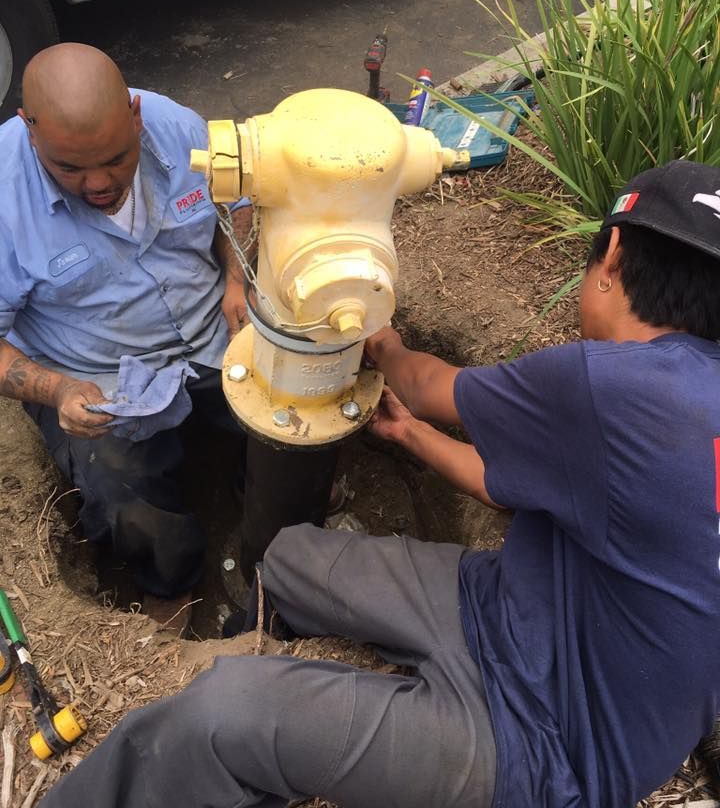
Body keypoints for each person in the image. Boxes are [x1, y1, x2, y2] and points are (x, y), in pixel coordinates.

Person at [38, 160, 720, 808]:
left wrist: (380, 335)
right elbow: (510, 488)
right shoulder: (685, 397)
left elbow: (423, 386)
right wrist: (407, 438)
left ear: (613, 255)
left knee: (224, 714)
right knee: (290, 559)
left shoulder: (619, 389)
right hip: (512, 606)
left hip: (545, 751)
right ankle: (249, 638)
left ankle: (240, 729)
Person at [0, 43, 254, 626]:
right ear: (28, 131)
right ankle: (171, 581)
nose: (98, 183)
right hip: (98, 376)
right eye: (69, 168)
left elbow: (234, 203)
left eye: (117, 158)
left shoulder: (177, 126)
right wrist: (55, 391)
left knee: (290, 406)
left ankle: (261, 501)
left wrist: (238, 277)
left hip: (211, 329)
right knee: (119, 489)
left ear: (136, 116)